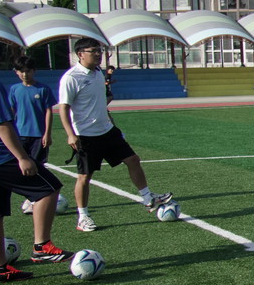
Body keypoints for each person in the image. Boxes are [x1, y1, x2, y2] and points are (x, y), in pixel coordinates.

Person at [58, 37, 173, 233]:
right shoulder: (71, 78)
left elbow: (99, 103)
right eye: (93, 50)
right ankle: (83, 216)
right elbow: (63, 109)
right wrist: (70, 134)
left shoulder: (97, 73)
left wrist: (112, 124)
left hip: (107, 131)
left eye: (99, 50)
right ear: (80, 54)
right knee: (85, 177)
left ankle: (148, 198)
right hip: (86, 135)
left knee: (133, 160)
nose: (97, 54)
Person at [0, 38, 73, 281]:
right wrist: (23, 157)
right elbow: (1, 125)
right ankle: (41, 246)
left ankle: (0, 270)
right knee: (49, 188)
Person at [9, 56, 57, 168]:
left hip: (38, 135)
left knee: (38, 165)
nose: (25, 75)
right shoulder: (14, 89)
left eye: (28, 71)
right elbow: (11, 111)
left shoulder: (43, 89)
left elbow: (48, 112)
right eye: (22, 71)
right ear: (16, 72)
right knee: (20, 164)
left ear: (34, 71)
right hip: (20, 135)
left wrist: (47, 133)